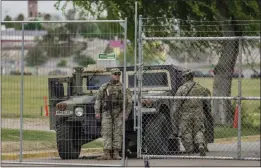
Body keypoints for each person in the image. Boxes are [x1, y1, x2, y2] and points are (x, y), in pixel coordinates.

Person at [171, 69, 211, 156]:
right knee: (199, 131)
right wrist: (208, 113)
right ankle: (200, 144)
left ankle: (190, 149)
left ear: (185, 77)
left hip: (185, 115)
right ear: (192, 77)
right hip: (198, 114)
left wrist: (174, 117)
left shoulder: (181, 89)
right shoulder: (201, 88)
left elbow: (176, 106)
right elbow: (207, 103)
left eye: (183, 77)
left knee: (185, 132)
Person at [94, 68, 132, 160]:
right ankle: (106, 153)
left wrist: (126, 114)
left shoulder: (124, 88)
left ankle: (116, 153)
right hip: (106, 113)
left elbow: (129, 103)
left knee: (118, 133)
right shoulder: (104, 87)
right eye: (115, 74)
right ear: (111, 75)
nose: (117, 75)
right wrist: (97, 112)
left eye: (119, 74)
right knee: (106, 132)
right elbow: (98, 100)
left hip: (119, 113)